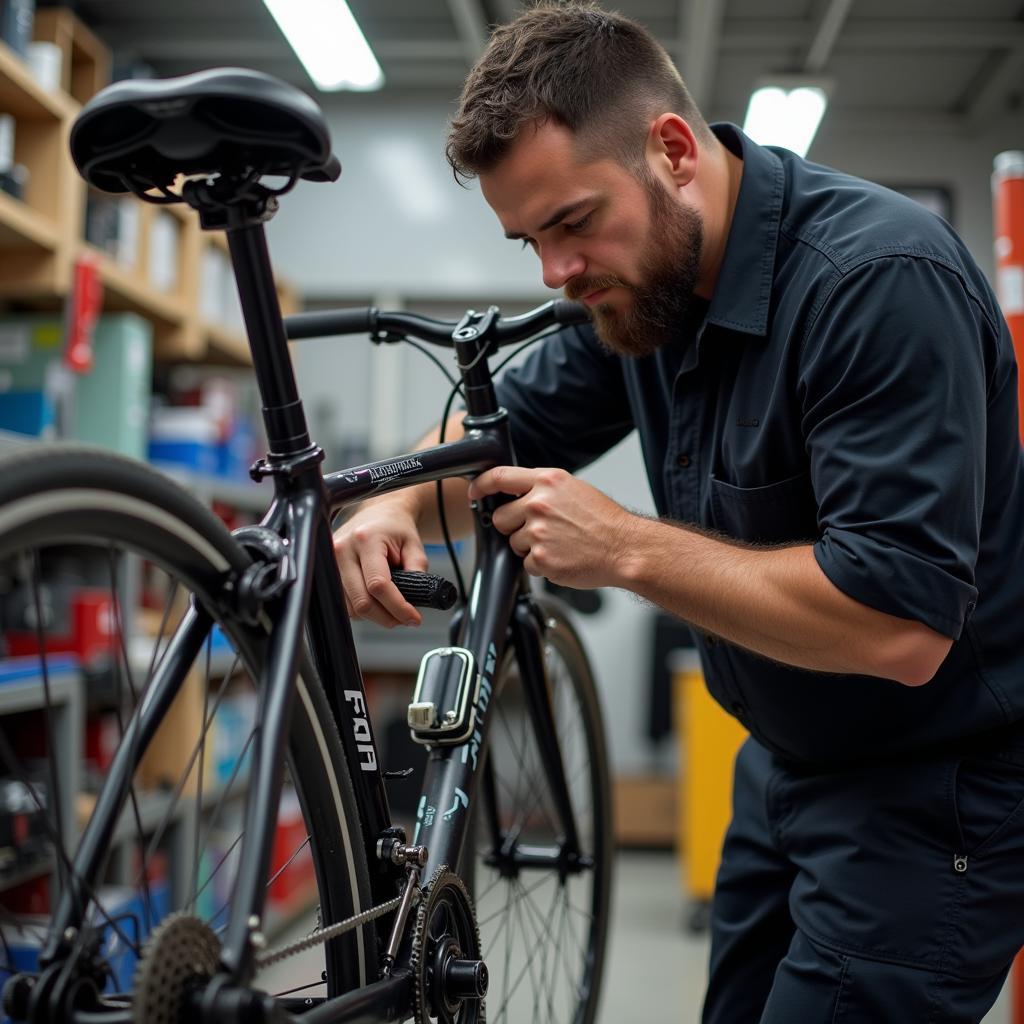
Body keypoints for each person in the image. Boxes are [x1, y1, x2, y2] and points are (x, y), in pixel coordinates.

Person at [334, 2, 1024, 1020]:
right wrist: (393, 493)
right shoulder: (645, 294)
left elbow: (899, 623)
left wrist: (624, 548)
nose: (555, 273)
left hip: (934, 790)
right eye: (529, 239)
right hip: (783, 763)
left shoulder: (874, 283)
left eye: (570, 222)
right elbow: (504, 433)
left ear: (669, 150)